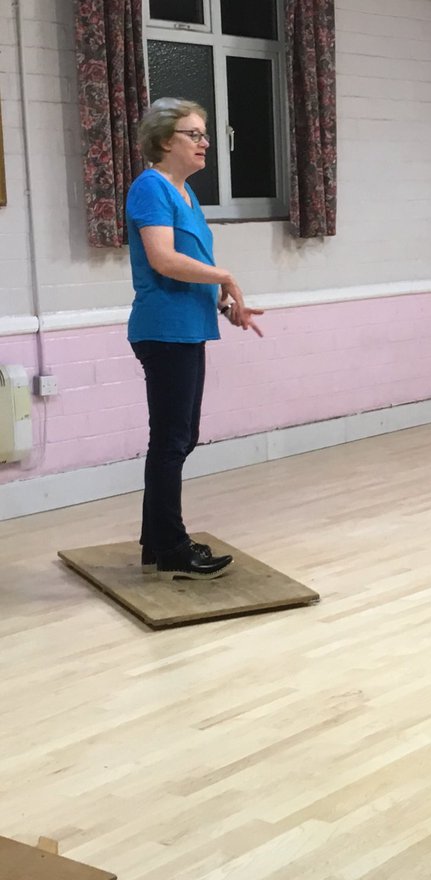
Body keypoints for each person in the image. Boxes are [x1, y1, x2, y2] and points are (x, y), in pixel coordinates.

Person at [127, 97, 264, 580]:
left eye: (205, 134)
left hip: (188, 326)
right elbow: (163, 259)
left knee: (181, 438)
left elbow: (190, 269)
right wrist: (225, 274)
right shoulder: (151, 188)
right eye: (194, 134)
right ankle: (171, 546)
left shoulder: (185, 194)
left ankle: (156, 541)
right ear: (165, 141)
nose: (205, 142)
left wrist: (227, 307)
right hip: (163, 330)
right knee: (171, 440)